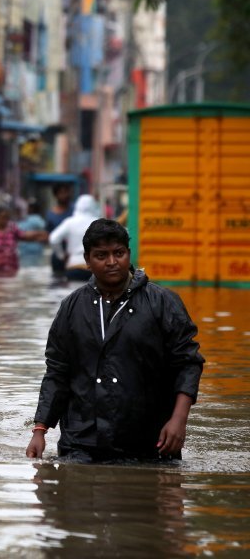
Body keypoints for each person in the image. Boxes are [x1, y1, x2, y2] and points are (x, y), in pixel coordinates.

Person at [26, 219, 204, 462]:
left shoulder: (162, 303)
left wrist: (178, 421)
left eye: (118, 253)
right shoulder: (72, 307)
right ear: (87, 261)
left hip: (150, 442)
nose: (112, 262)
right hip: (82, 442)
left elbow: (188, 363)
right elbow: (58, 371)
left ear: (128, 254)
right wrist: (40, 430)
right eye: (101, 255)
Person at [0, 206, 47, 277]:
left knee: (9, 286)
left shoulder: (12, 227)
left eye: (7, 218)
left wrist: (39, 234)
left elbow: (23, 236)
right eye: (3, 217)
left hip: (11, 268)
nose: (5, 220)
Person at [48, 194, 101, 281]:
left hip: (73, 267)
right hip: (93, 269)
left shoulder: (70, 222)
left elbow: (53, 239)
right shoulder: (99, 223)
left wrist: (62, 256)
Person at [45, 183, 73, 278]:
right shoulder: (51, 214)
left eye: (66, 192)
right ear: (55, 195)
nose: (65, 195)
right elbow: (49, 235)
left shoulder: (75, 211)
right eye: (61, 192)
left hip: (73, 253)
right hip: (57, 253)